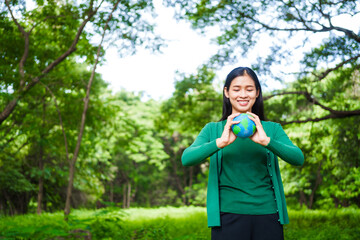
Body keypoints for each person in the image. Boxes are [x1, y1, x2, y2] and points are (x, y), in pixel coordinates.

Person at [181, 67, 304, 240]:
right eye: (236, 89)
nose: (243, 94)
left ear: (257, 93)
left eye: (249, 89)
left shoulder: (271, 129)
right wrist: (220, 142)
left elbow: (298, 158)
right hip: (227, 216)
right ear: (227, 92)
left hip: (268, 214)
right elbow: (187, 158)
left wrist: (267, 141)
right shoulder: (213, 129)